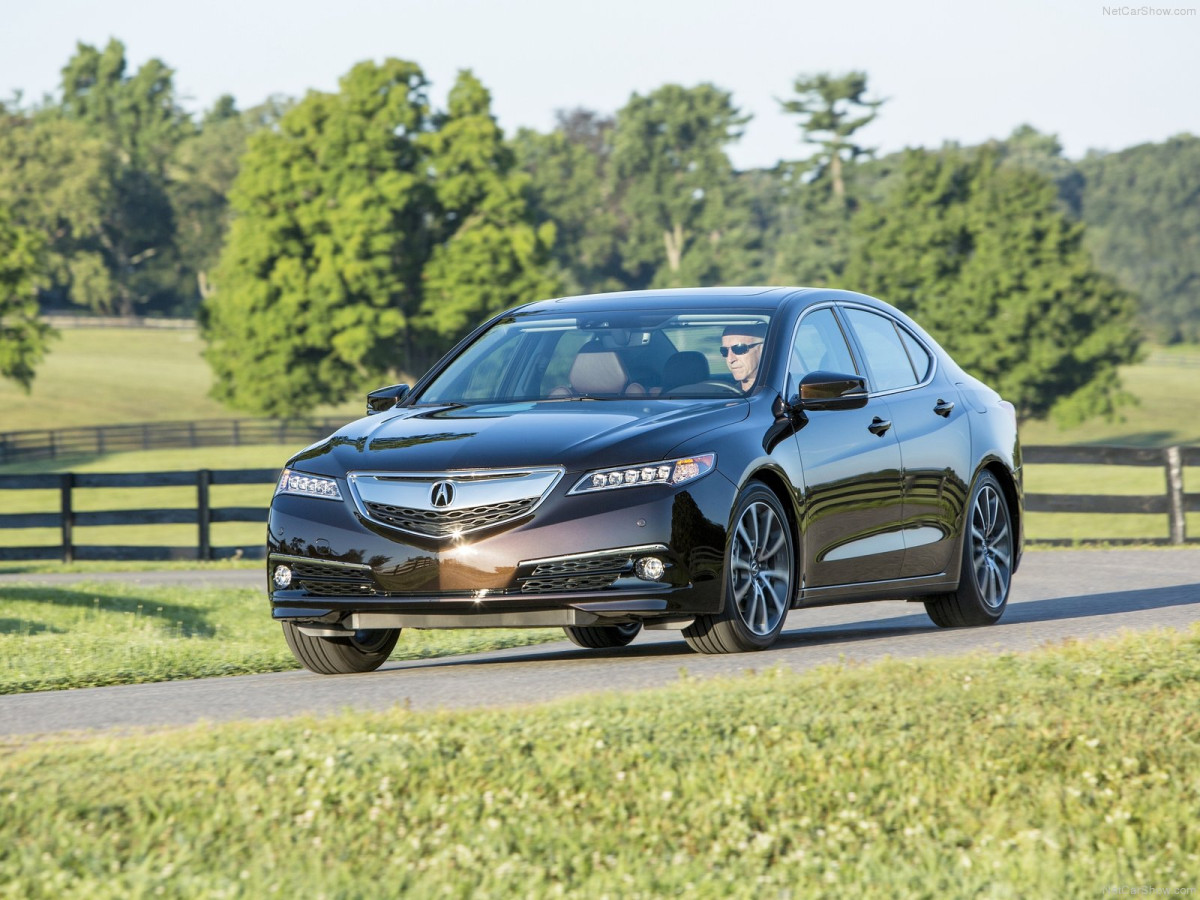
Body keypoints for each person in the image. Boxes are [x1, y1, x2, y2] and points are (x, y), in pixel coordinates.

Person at [720, 324, 766, 392]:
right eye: (724, 351)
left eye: (739, 349)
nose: (730, 359)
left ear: (763, 349)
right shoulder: (723, 395)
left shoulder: (782, 394)